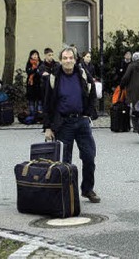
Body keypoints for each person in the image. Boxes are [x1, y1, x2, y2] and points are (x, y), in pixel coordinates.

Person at [43, 47, 100, 203]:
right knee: (64, 161)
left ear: (75, 60)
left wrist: (89, 112)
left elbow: (92, 91)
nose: (68, 61)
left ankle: (87, 189)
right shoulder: (55, 77)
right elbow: (47, 103)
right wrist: (48, 127)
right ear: (60, 60)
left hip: (81, 121)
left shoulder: (82, 74)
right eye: (65, 58)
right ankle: (66, 192)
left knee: (89, 157)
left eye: (70, 58)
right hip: (63, 123)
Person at [25, 49, 43, 124]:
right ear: (31, 56)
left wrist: (36, 70)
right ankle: (32, 117)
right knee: (31, 102)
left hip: (39, 85)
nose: (35, 56)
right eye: (33, 55)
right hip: (31, 85)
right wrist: (34, 69)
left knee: (39, 102)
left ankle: (39, 117)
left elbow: (41, 72)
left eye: (36, 54)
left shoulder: (41, 63)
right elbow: (28, 71)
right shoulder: (29, 63)